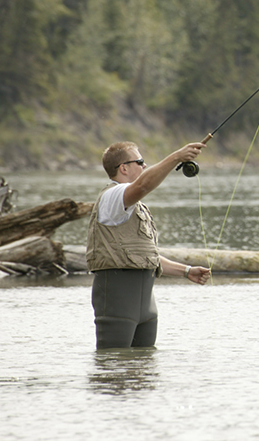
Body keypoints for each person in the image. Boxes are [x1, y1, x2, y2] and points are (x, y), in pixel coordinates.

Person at [86, 141, 212, 350]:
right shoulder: (113, 196)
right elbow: (143, 186)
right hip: (117, 301)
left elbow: (143, 255)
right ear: (123, 168)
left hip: (146, 308)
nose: (144, 166)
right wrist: (176, 157)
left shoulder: (135, 205)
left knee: (144, 372)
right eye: (140, 161)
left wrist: (186, 271)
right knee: (112, 371)